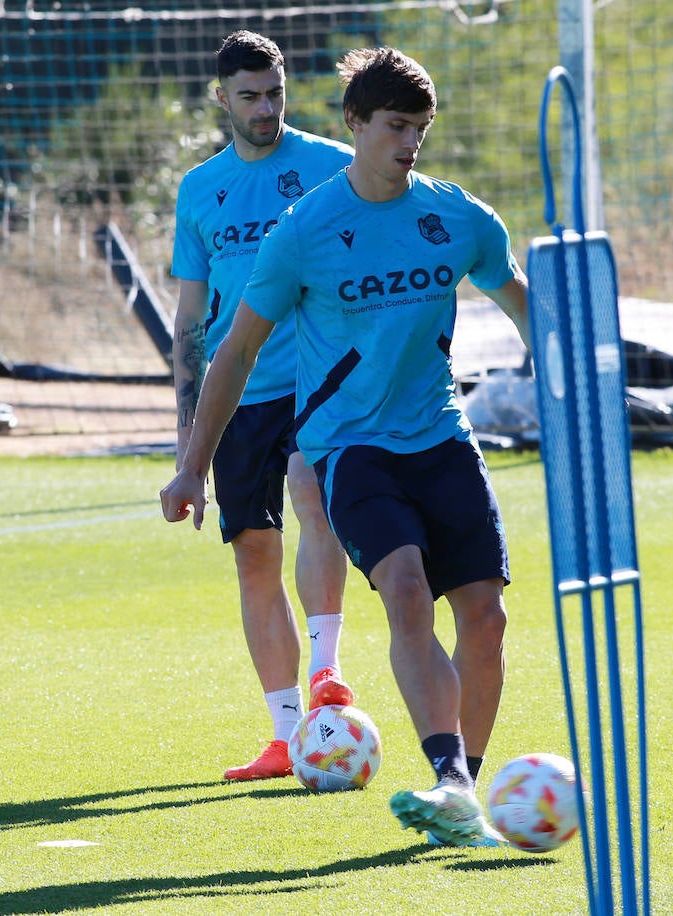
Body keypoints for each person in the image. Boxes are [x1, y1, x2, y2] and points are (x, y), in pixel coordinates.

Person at [161, 46, 532, 846]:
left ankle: (462, 792)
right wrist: (191, 461)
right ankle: (452, 780)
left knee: (487, 617)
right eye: (396, 126)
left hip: (441, 435)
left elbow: (524, 304)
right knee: (403, 585)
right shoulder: (307, 230)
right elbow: (235, 351)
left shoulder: (458, 215)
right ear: (356, 123)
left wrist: (571, 379)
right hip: (349, 444)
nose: (410, 143)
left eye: (421, 129)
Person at [170, 30, 356, 782]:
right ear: (221, 99)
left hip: (318, 376)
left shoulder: (331, 167)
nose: (264, 108)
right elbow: (189, 321)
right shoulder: (198, 190)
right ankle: (285, 737)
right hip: (238, 390)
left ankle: (328, 673)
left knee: (314, 493)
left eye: (274, 93)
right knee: (254, 553)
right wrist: (189, 441)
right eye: (248, 96)